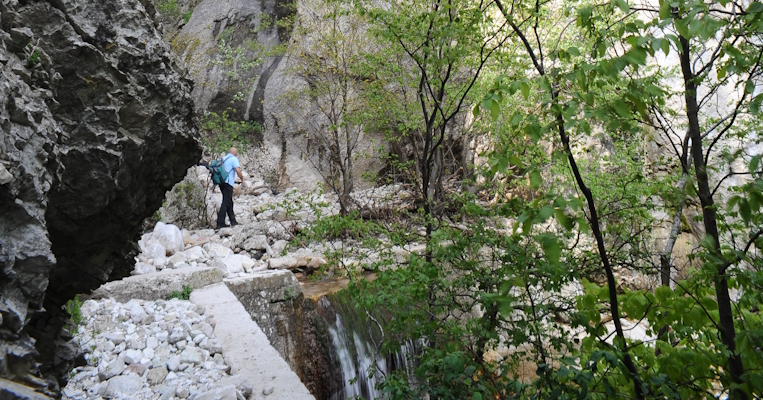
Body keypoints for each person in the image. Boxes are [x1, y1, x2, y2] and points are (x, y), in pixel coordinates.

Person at [216, 147, 245, 229]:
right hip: (228, 182)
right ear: (235, 153)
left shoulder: (223, 158)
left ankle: (233, 221)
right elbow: (238, 170)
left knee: (229, 201)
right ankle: (220, 222)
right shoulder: (233, 159)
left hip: (221, 182)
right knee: (226, 201)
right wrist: (242, 179)